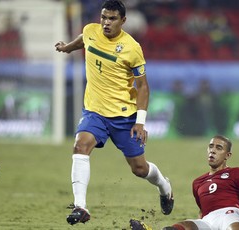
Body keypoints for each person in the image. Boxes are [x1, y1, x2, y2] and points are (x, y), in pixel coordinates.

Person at [55, 0, 174, 226]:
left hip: (124, 117)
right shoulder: (91, 30)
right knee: (81, 145)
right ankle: (80, 206)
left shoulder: (132, 48)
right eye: (104, 17)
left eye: (112, 19)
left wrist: (140, 122)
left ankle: (164, 186)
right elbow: (84, 40)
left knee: (140, 169)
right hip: (95, 111)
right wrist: (68, 47)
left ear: (123, 21)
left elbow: (143, 87)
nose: (106, 23)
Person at [130, 135, 239, 230]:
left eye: (218, 148)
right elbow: (202, 211)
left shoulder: (236, 173)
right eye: (211, 147)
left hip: (229, 214)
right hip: (208, 220)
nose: (212, 151)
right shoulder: (197, 182)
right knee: (183, 226)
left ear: (228, 155)